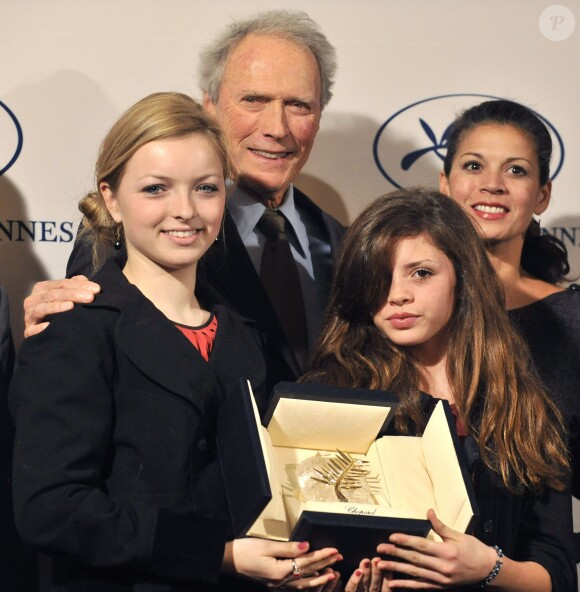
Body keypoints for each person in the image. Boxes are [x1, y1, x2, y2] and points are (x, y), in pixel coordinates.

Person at [9, 92, 342, 592]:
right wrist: (220, 555)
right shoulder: (73, 327)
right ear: (112, 199)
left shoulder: (245, 335)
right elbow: (51, 510)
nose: (184, 210)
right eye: (156, 189)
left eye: (205, 188)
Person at [24, 9, 345, 389]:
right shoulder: (128, 228)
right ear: (209, 106)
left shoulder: (340, 239)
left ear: (319, 116)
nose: (276, 128)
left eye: (299, 105)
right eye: (254, 100)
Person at [301, 188, 575, 590]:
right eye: (380, 276)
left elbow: (559, 572)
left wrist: (489, 568)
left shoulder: (523, 400)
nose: (397, 295)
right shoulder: (332, 397)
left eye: (422, 273)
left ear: (462, 278)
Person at [439, 98, 580, 558]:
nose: (493, 185)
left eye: (516, 171)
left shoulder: (571, 322)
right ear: (445, 184)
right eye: (474, 165)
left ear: (542, 195)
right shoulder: (397, 310)